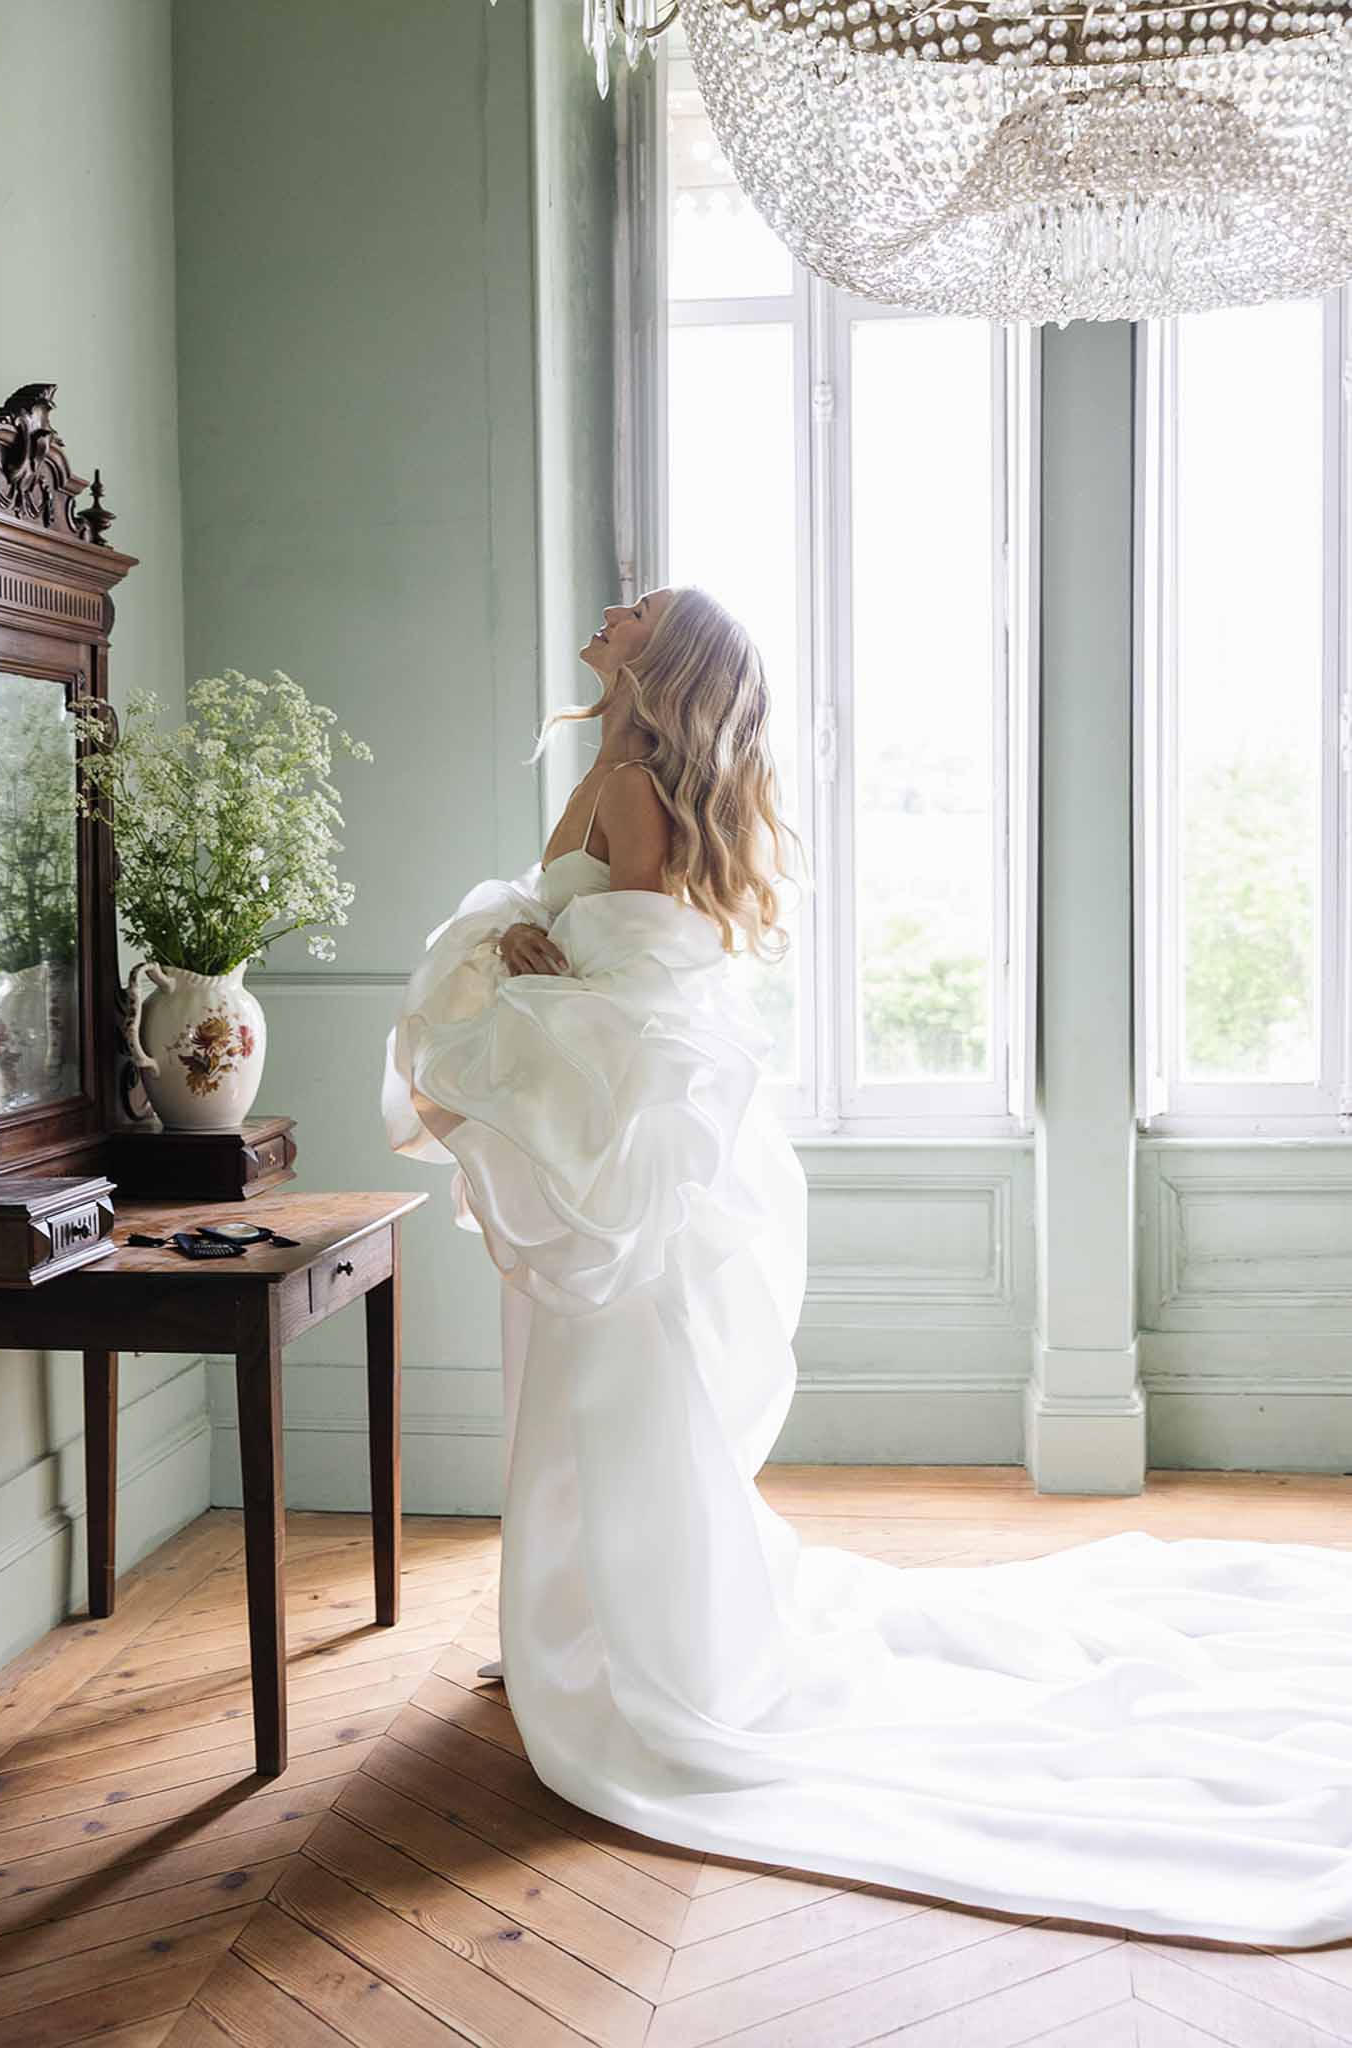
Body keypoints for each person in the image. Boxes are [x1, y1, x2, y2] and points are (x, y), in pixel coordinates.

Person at [383, 586, 1352, 1950]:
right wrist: (526, 955)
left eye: (640, 606)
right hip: (596, 1155)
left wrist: (524, 972)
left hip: (608, 1160)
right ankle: (587, 1630)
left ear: (662, 658)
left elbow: (641, 999)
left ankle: (634, 1652)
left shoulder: (630, 790)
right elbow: (597, 941)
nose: (615, 606)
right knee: (591, 1405)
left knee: (603, 1405)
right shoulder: (620, 772)